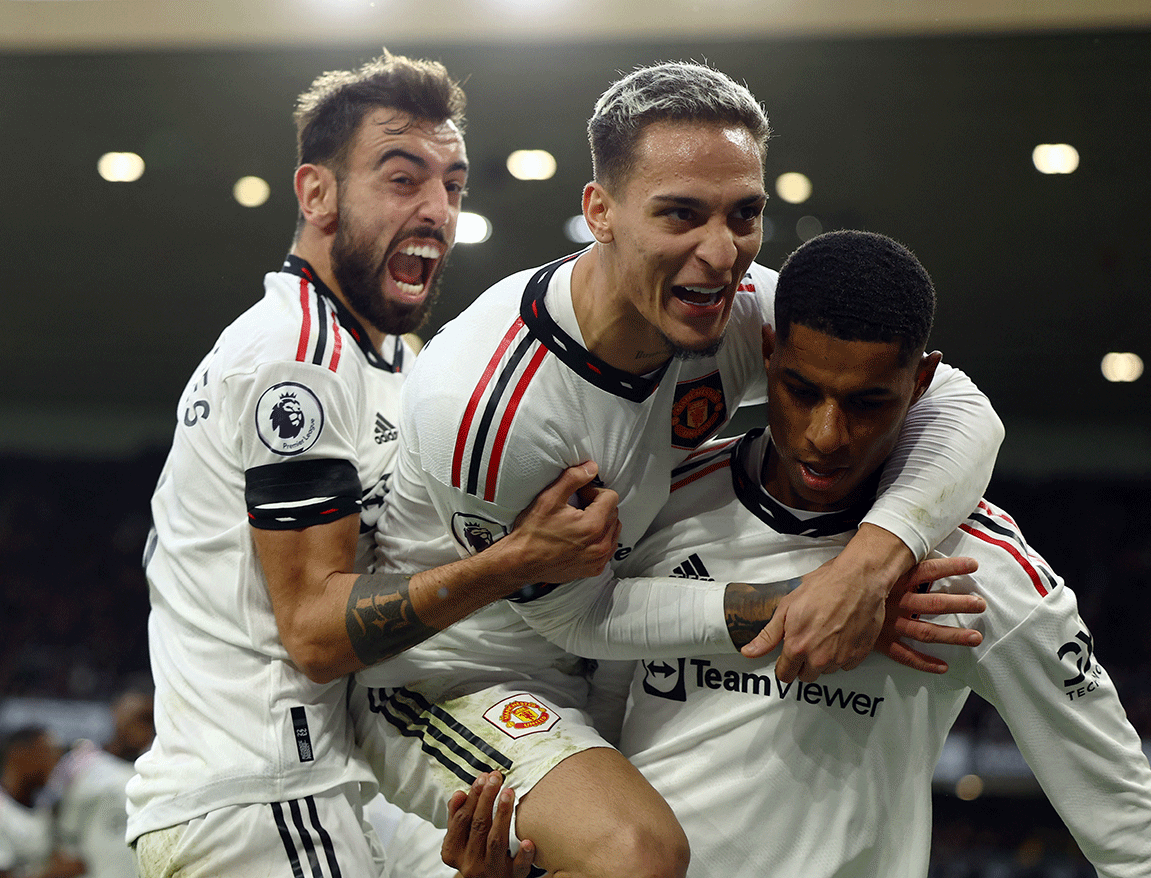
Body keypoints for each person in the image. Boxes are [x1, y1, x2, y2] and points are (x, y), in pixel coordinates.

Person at [352, 61, 1004, 877]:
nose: (721, 252)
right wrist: (793, 606)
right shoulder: (491, 412)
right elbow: (574, 619)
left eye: (746, 214)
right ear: (601, 213)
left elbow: (960, 404)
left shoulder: (733, 309)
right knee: (636, 855)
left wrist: (871, 565)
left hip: (605, 676)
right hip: (459, 679)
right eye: (681, 215)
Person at [126, 53, 618, 877]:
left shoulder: (387, 357)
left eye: (453, 186)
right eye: (402, 179)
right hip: (264, 798)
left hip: (312, 789)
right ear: (316, 194)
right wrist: (517, 562)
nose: (437, 210)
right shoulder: (298, 354)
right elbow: (317, 633)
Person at [596, 229, 1151, 877]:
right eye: (802, 391)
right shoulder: (660, 500)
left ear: (921, 382)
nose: (826, 436)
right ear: (769, 356)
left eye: (867, 402)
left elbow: (1126, 822)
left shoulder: (981, 568)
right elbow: (589, 711)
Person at [0, 726, 86, 878]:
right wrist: (59, 872)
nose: (55, 763)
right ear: (19, 755)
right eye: (48, 754)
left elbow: (59, 859)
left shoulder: (44, 808)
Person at [49, 690, 155, 878]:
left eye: (148, 721)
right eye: (136, 718)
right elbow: (52, 824)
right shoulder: (81, 763)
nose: (139, 727)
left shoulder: (156, 771)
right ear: (116, 713)